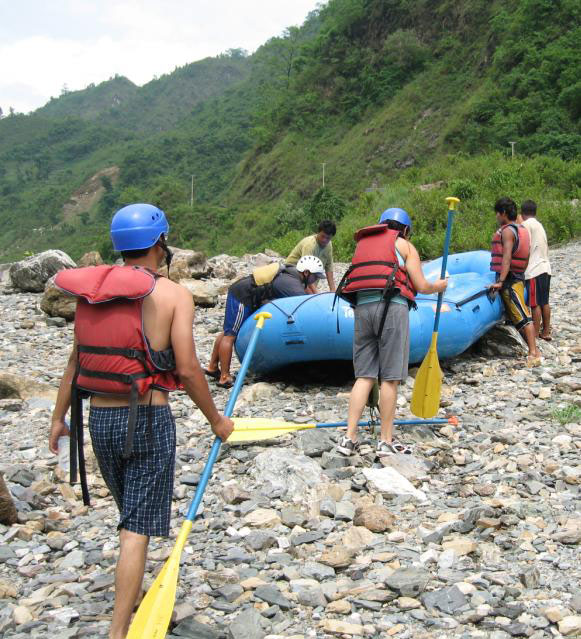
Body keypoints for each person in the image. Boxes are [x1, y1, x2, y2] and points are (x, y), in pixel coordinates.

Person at [48, 203, 234, 639]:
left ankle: (129, 587)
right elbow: (188, 370)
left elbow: (77, 361)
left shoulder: (92, 293)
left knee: (131, 515)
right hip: (148, 419)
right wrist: (216, 421)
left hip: (99, 421)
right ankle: (118, 631)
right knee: (135, 529)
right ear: (158, 244)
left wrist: (58, 418)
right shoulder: (173, 295)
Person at [335, 208, 447, 457]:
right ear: (405, 230)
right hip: (392, 308)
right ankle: (385, 441)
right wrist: (439, 286)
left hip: (362, 308)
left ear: (382, 225)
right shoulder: (405, 246)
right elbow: (421, 285)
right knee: (389, 379)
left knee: (364, 376)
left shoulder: (363, 245)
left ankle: (349, 438)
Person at [205, 255, 325, 388]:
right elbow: (303, 303)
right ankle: (224, 377)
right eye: (315, 276)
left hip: (246, 294)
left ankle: (212, 367)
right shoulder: (289, 283)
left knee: (228, 331)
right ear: (306, 272)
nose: (316, 280)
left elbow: (304, 292)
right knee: (230, 335)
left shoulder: (294, 276)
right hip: (243, 296)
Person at [488, 197, 541, 365]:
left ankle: (533, 352)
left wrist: (500, 281)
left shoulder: (508, 231)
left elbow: (507, 257)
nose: (496, 216)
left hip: (510, 279)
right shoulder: (521, 228)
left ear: (503, 213)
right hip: (518, 276)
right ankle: (534, 349)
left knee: (522, 315)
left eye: (497, 213)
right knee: (520, 314)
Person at [521, 200, 552, 340]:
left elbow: (524, 248)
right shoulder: (539, 225)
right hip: (546, 267)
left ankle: (533, 334)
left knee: (535, 303)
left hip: (534, 269)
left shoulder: (525, 225)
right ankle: (545, 331)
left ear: (522, 213)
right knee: (544, 301)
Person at [286, 220, 337, 292]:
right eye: (322, 236)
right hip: (292, 274)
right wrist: (315, 293)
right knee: (310, 296)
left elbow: (329, 268)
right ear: (318, 232)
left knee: (313, 295)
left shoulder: (329, 245)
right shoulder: (310, 245)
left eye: (328, 238)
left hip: (308, 278)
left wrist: (333, 290)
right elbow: (306, 272)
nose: (324, 240)